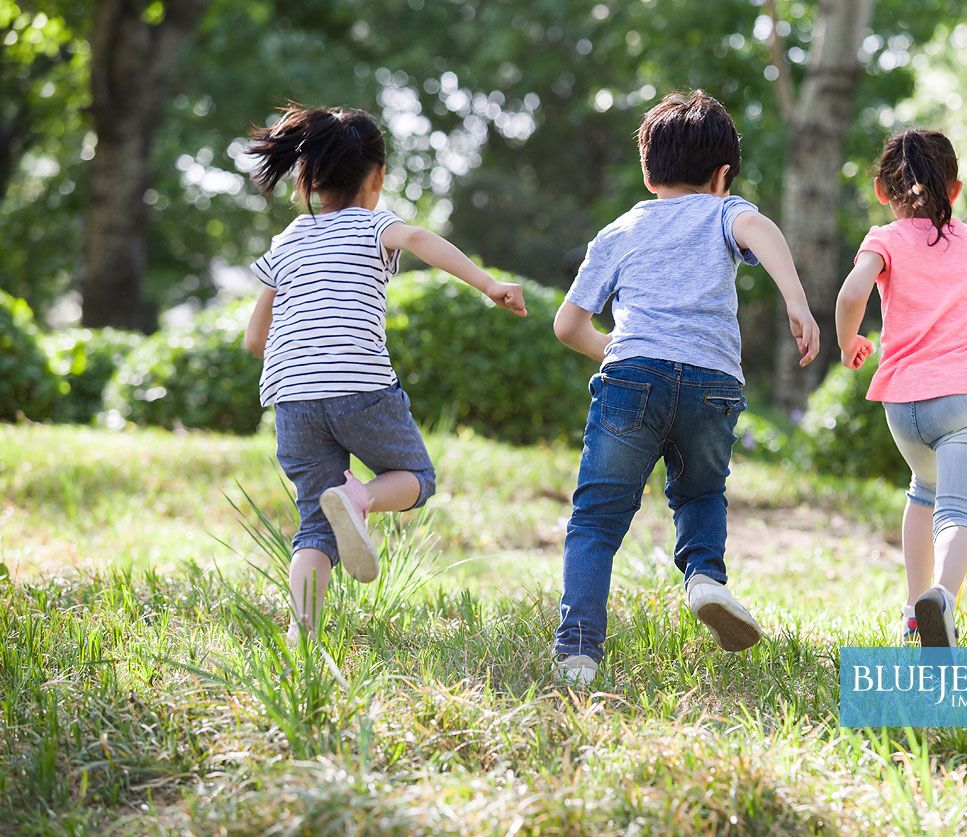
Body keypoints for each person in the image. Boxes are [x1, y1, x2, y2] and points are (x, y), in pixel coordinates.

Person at [550, 90, 821, 683]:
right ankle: (705, 579)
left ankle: (577, 650)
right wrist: (795, 302)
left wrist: (623, 350)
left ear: (649, 171)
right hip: (712, 384)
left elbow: (568, 325)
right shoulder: (725, 213)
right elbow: (761, 227)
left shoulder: (618, 231)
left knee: (595, 520)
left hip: (631, 381)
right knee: (700, 494)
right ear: (723, 174)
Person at [242, 104, 527, 640]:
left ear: (310, 178)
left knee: (313, 526)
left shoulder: (288, 241)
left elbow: (255, 340)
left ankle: (302, 633)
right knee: (417, 480)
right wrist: (488, 285)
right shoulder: (374, 223)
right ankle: (361, 498)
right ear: (377, 177)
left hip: (293, 400)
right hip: (361, 388)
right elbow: (419, 240)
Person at [835, 128, 967, 647]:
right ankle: (943, 599)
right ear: (955, 191)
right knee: (957, 512)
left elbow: (851, 294)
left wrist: (849, 343)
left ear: (883, 193)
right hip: (963, 401)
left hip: (902, 405)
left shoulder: (883, 240)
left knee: (922, 491)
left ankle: (914, 611)